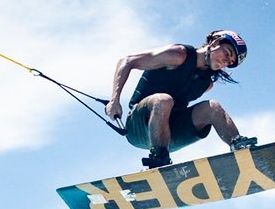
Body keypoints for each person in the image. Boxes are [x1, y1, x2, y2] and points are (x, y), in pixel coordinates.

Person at [104, 30, 256, 169]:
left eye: (229, 63)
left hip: (169, 134)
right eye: (227, 54)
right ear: (215, 43)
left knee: (212, 107)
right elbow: (127, 61)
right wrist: (114, 100)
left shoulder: (206, 84)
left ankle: (239, 146)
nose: (225, 62)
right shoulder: (178, 55)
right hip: (138, 127)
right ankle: (159, 159)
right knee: (164, 100)